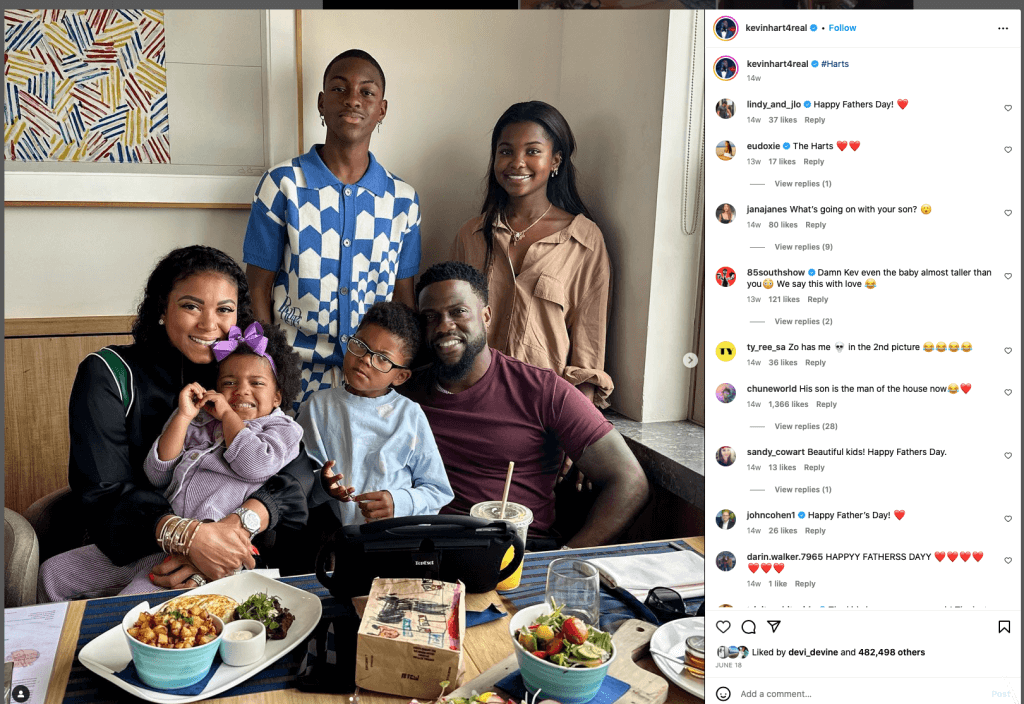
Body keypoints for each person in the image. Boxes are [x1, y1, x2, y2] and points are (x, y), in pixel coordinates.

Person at [37, 246, 315, 601]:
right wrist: (191, 538)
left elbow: (296, 465)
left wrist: (233, 528)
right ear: (160, 307)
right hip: (132, 539)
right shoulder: (107, 372)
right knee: (55, 578)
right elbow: (102, 490)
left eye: (224, 310)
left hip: (232, 543)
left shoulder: (234, 375)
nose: (209, 324)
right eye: (190, 306)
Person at [400, 262, 649, 549]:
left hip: (514, 554)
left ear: (486, 316)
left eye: (458, 312)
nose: (444, 326)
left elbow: (630, 481)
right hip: (420, 554)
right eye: (430, 317)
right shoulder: (403, 392)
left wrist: (565, 560)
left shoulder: (541, 391)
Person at [244, 49, 420, 408]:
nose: (353, 99)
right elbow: (257, 287)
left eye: (366, 92)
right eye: (339, 89)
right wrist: (270, 364)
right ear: (322, 103)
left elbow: (404, 299)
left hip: (372, 385)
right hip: (294, 379)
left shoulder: (403, 200)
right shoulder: (283, 185)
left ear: (381, 109)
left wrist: (393, 374)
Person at [450, 101, 613, 411]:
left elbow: (589, 347)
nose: (517, 162)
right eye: (506, 151)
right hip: (470, 403)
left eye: (533, 151)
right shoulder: (470, 236)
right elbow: (449, 326)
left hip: (543, 412)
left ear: (556, 161)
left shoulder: (584, 240)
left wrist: (574, 431)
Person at [297, 301, 453, 528]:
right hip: (333, 539)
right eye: (360, 344)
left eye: (382, 358)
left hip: (395, 542)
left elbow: (438, 491)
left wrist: (398, 502)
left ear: (400, 377)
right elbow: (295, 478)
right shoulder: (318, 407)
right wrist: (322, 485)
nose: (365, 359)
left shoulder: (409, 415)